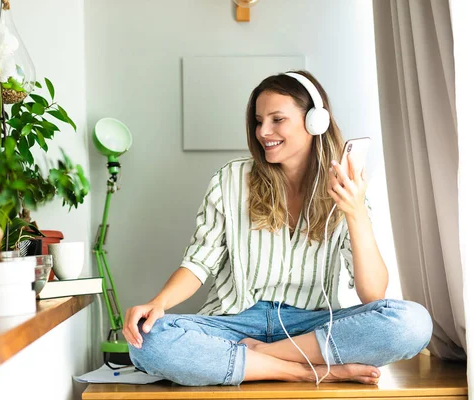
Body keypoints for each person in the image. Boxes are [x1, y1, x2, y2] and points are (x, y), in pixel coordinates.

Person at [122, 71, 433, 387]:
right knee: (148, 340)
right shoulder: (230, 180)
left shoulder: (345, 187)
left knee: (413, 323)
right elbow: (198, 264)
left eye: (277, 119)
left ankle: (264, 356)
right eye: (259, 121)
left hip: (311, 325)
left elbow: (373, 293)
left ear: (315, 123)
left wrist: (355, 213)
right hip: (234, 323)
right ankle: (301, 371)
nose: (263, 132)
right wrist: (158, 303)